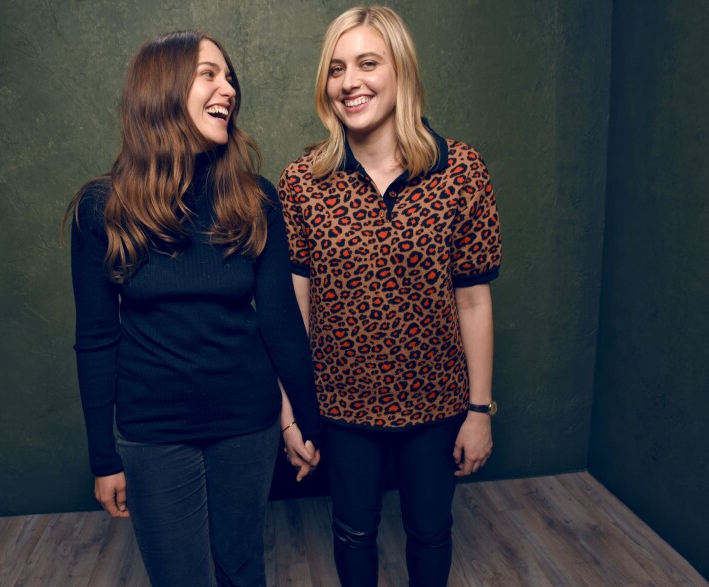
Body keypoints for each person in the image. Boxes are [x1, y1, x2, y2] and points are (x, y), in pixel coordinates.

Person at [65, 30, 322, 587]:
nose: (227, 87)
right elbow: (95, 340)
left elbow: (280, 321)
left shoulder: (255, 199)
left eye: (229, 76)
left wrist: (305, 420)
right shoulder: (101, 209)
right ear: (162, 91)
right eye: (210, 73)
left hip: (245, 424)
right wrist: (103, 458)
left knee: (241, 566)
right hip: (154, 433)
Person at [277, 7, 502, 586]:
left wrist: (479, 410)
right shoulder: (302, 181)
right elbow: (291, 306)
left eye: (367, 63)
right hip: (342, 406)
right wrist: (290, 412)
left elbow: (473, 301)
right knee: (353, 532)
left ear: (401, 71)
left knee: (430, 531)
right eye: (335, 69)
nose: (349, 81)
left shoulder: (462, 172)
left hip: (436, 404)